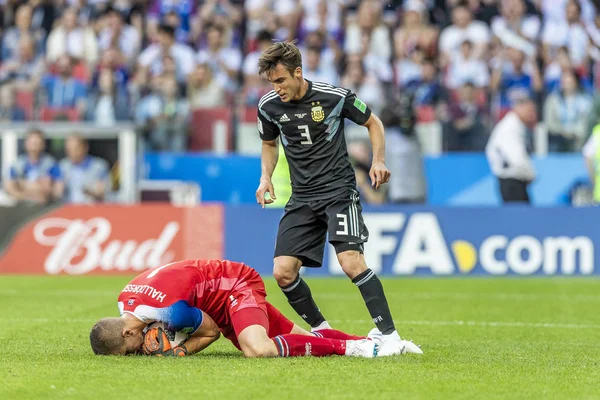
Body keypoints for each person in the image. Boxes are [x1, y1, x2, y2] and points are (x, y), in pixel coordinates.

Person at [254, 41, 422, 357]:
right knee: (282, 272)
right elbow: (269, 144)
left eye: (280, 81)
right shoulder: (268, 107)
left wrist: (378, 160)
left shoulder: (333, 97)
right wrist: (265, 177)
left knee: (351, 262)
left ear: (298, 72)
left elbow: (374, 122)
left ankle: (390, 336)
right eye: (271, 83)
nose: (277, 89)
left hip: (338, 193)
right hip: (302, 198)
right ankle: (323, 331)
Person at [89, 259, 380, 358]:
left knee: (258, 349)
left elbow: (210, 331)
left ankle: (349, 350)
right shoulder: (125, 298)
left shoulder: (170, 313)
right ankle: (375, 344)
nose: (138, 352)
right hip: (214, 298)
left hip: (234, 284)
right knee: (305, 339)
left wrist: (179, 350)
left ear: (127, 332)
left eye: (130, 350)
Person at [485, 95, 537, 204]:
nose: (533, 114)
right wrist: (530, 174)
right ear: (519, 108)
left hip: (512, 179)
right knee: (520, 217)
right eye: (530, 110)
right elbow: (516, 158)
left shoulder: (515, 125)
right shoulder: (510, 127)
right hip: (512, 180)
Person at [3, 128, 58, 204]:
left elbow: (49, 190)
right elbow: (9, 187)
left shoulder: (50, 164)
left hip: (44, 208)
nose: (34, 144)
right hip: (21, 208)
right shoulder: (17, 164)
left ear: (43, 144)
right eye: (32, 142)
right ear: (26, 143)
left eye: (37, 142)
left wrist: (22, 184)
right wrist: (28, 195)